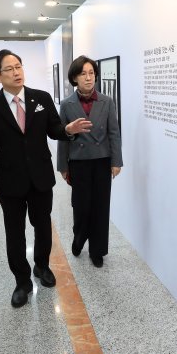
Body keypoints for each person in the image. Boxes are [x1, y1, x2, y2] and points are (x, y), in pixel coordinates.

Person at [0, 49, 92, 308]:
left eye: (19, 66)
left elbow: (53, 130)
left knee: (43, 226)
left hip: (40, 177)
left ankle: (42, 266)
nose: (17, 72)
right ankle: (21, 281)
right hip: (9, 182)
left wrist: (68, 130)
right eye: (10, 69)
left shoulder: (40, 98)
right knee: (14, 233)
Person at [57, 55, 123, 268]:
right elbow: (62, 136)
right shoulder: (67, 104)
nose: (88, 78)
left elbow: (114, 133)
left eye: (91, 73)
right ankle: (79, 237)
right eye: (83, 74)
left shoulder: (107, 101)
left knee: (101, 207)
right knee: (81, 206)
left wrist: (117, 161)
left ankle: (97, 250)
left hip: (102, 161)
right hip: (79, 161)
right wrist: (63, 166)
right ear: (74, 78)